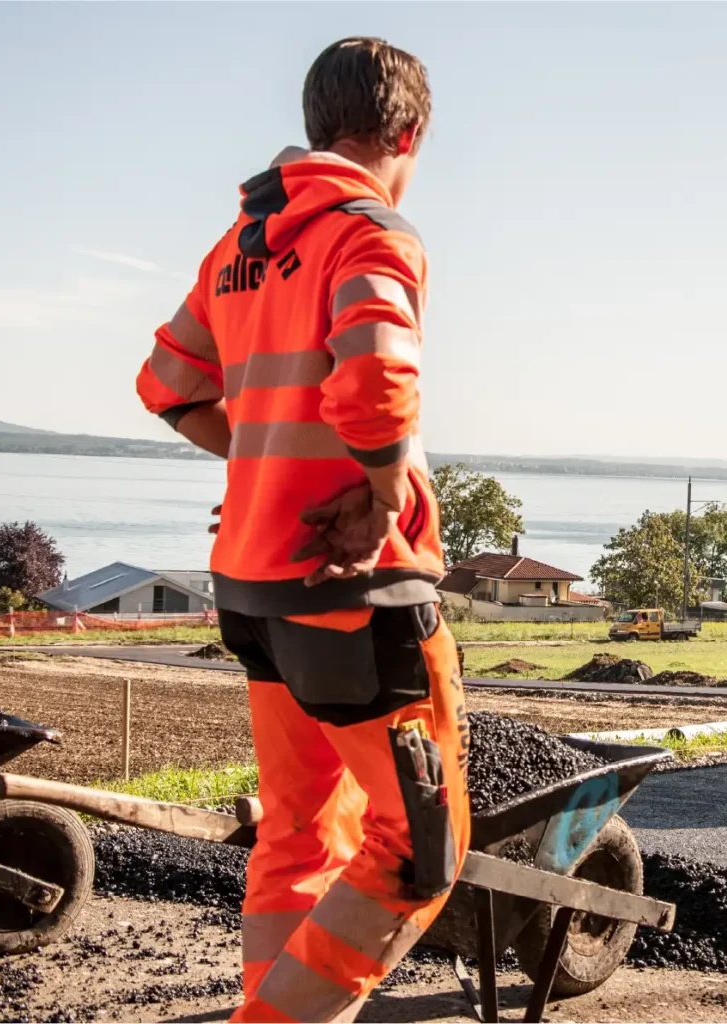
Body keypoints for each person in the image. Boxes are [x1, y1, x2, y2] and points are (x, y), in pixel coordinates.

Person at [134, 37, 470, 1023]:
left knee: (298, 838)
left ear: (321, 125)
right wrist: (375, 492)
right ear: (411, 132)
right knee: (420, 852)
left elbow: (168, 384)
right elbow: (375, 379)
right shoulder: (370, 232)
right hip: (352, 601)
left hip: (255, 593)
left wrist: (264, 467)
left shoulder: (243, 246)